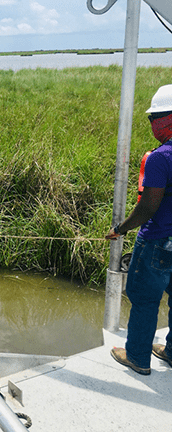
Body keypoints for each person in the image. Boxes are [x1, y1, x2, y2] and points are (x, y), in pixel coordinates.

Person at [106, 84, 172, 375]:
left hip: (158, 240)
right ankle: (170, 351)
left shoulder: (160, 158)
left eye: (156, 117)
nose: (152, 123)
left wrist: (120, 229)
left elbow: (148, 207)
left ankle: (136, 356)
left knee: (145, 298)